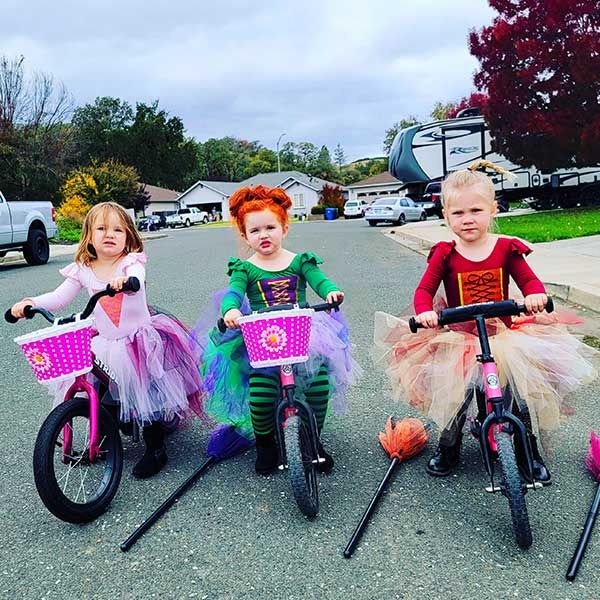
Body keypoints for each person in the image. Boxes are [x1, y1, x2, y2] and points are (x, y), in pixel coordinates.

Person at [373, 160, 598, 481]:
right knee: (455, 399)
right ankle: (448, 447)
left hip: (504, 336)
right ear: (445, 215)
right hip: (460, 338)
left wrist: (534, 296)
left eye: (476, 210)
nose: (467, 220)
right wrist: (424, 311)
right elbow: (425, 289)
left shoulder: (506, 249)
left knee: (520, 397)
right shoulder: (445, 253)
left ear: (493, 209)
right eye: (458, 213)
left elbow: (529, 282)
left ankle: (527, 450)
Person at [10, 202, 205, 479]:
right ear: (89, 236)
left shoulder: (130, 262)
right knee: (98, 383)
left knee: (146, 394)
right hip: (105, 342)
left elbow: (137, 278)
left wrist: (126, 281)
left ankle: (155, 447)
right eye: (101, 229)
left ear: (128, 236)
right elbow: (58, 298)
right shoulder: (83, 268)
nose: (109, 234)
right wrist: (30, 304)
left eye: (117, 229)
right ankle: (104, 434)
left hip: (139, 341)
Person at [195, 185, 361, 475]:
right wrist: (231, 310)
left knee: (319, 385)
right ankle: (266, 444)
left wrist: (331, 291)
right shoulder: (245, 269)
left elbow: (319, 280)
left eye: (270, 227)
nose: (264, 235)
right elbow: (234, 294)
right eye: (255, 230)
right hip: (262, 337)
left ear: (284, 227)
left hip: (303, 333)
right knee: (260, 393)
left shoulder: (299, 262)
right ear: (245, 235)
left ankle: (312, 440)